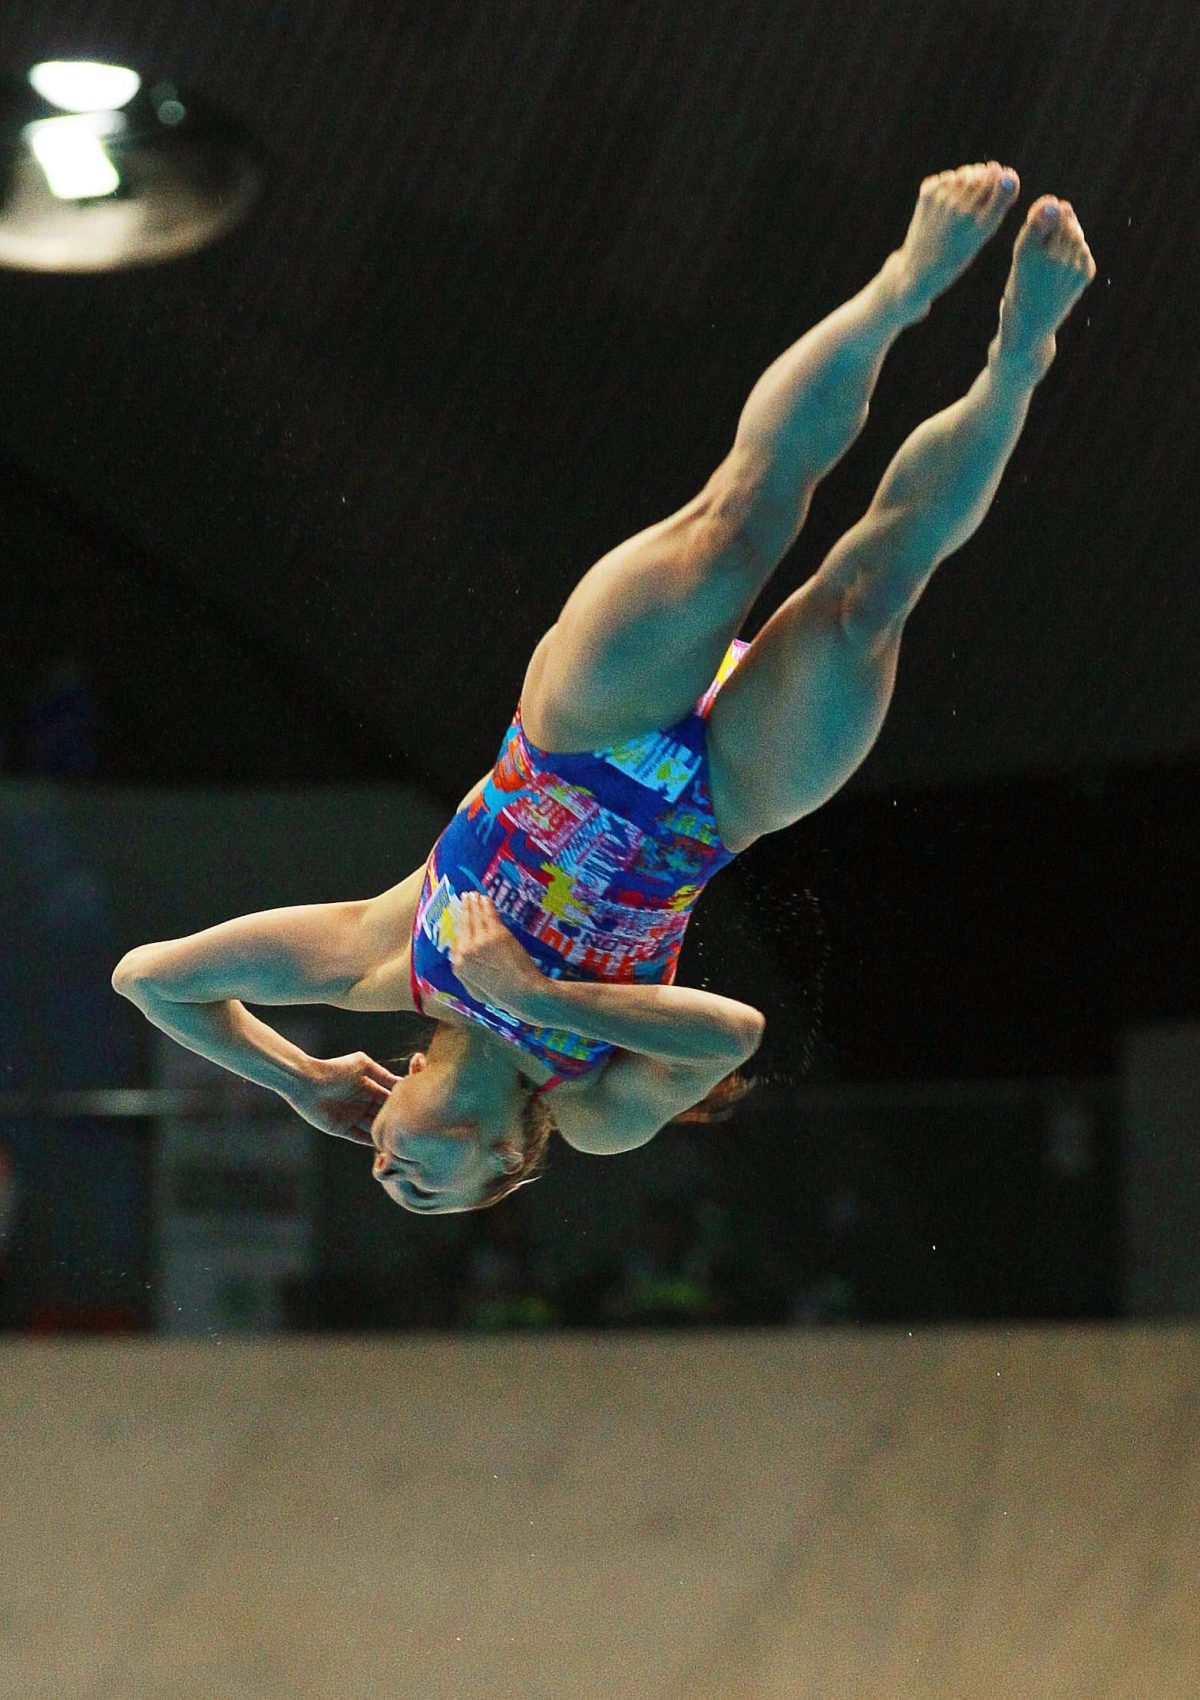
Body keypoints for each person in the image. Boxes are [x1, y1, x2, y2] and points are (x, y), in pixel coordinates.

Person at [113, 163, 1095, 1216]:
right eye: (423, 1197)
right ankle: (1020, 356)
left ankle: (905, 281)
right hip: (722, 804)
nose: (388, 1171)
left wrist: (299, 1082)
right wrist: (535, 997)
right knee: (870, 593)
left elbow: (151, 977)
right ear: (505, 1161)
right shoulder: (594, 1108)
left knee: (736, 523)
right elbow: (734, 1033)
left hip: (581, 735)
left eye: (382, 1167)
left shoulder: (386, 958)